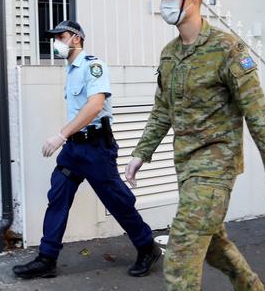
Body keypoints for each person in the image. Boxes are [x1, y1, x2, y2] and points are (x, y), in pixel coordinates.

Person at [126, 0, 265, 291]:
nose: (164, 2)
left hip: (216, 166)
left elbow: (258, 112)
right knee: (215, 244)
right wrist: (140, 153)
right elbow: (162, 109)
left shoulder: (227, 49)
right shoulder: (169, 54)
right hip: (186, 166)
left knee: (180, 252)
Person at [12, 20, 160, 279]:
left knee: (117, 201)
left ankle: (147, 246)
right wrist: (67, 138)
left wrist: (60, 134)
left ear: (76, 38)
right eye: (54, 37)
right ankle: (47, 259)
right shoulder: (70, 71)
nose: (56, 42)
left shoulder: (93, 66)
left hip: (95, 148)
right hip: (74, 149)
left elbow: (94, 106)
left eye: (61, 36)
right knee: (58, 195)